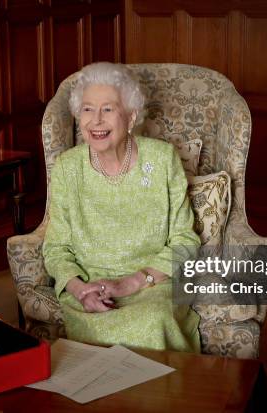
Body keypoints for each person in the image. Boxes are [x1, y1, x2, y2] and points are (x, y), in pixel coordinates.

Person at [42, 62, 201, 352]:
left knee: (152, 322)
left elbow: (185, 240)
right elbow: (56, 248)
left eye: (108, 109)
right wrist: (80, 290)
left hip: (152, 285)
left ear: (130, 117)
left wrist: (131, 283)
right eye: (88, 109)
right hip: (89, 291)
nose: (96, 121)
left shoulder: (163, 160)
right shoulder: (67, 167)